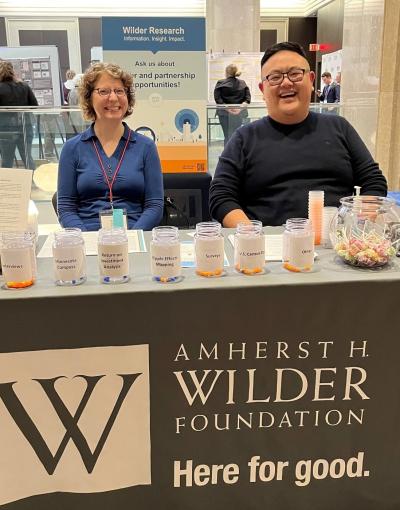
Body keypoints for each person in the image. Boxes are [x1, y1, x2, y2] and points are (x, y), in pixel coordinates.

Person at [209, 42, 387, 227]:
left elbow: (373, 180)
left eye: (295, 74)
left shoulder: (339, 127)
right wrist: (251, 236)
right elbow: (221, 195)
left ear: (311, 80)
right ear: (263, 90)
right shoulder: (244, 138)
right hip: (266, 247)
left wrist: (357, 228)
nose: (286, 83)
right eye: (275, 77)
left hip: (335, 244)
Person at [57, 62, 164, 231]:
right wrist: (88, 240)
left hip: (135, 236)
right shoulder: (72, 149)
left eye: (119, 91)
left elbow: (155, 205)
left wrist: (132, 238)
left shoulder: (146, 147)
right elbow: (66, 207)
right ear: (89, 97)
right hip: (87, 238)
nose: (113, 98)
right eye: (104, 91)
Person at [0, 60, 38, 170]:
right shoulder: (24, 86)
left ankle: (7, 185)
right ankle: (33, 183)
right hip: (25, 127)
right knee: (27, 158)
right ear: (12, 71)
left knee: (7, 160)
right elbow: (35, 105)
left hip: (5, 130)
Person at [214, 64, 251, 145]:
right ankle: (236, 156)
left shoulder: (220, 83)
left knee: (227, 136)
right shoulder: (242, 83)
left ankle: (227, 155)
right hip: (239, 114)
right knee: (236, 135)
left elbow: (218, 99)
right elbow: (247, 99)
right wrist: (239, 109)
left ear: (226, 72)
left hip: (224, 114)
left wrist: (228, 109)